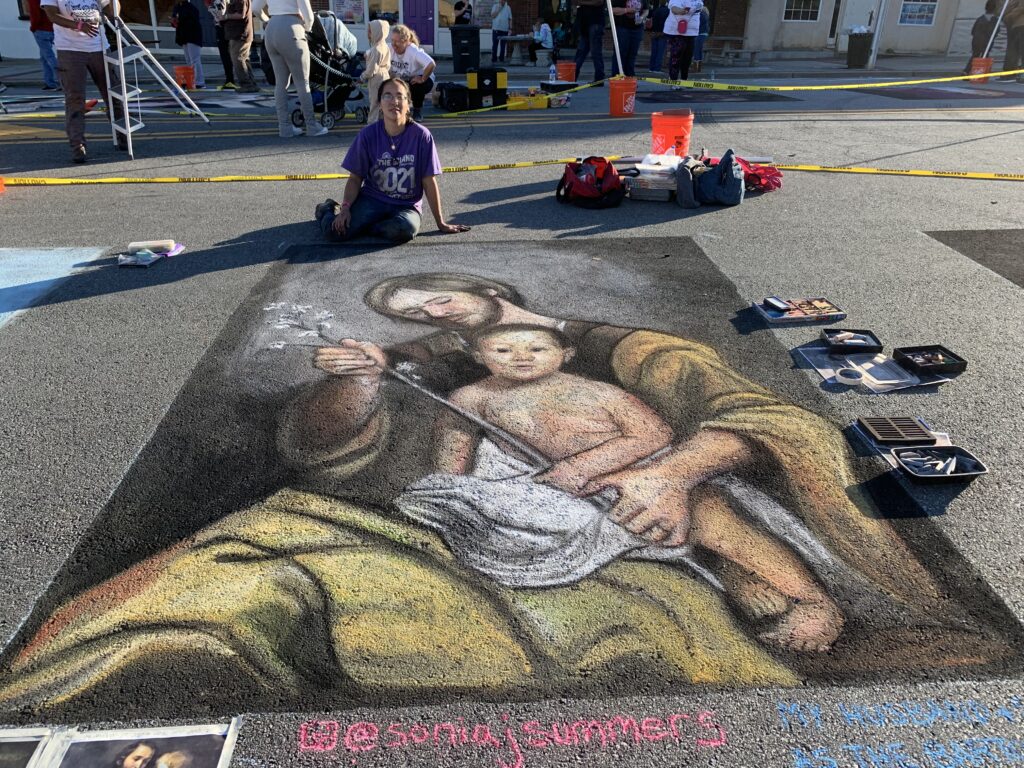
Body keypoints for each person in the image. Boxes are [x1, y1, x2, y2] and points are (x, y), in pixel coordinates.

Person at [0, 271, 1010, 717]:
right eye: (414, 308)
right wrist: (358, 384)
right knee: (278, 550)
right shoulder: (452, 372)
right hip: (521, 511)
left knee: (700, 510)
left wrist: (665, 464)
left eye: (435, 295)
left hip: (652, 483)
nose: (426, 310)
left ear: (514, 309)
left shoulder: (609, 352)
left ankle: (804, 595)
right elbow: (353, 445)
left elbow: (726, 409)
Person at [399, 323, 844, 649]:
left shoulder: (599, 393)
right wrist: (453, 493)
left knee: (711, 514)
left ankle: (814, 602)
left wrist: (585, 466)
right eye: (503, 349)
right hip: (545, 486)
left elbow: (654, 435)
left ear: (565, 355)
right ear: (481, 356)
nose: (522, 356)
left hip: (635, 474)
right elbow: (453, 454)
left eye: (537, 347)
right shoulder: (471, 399)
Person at [314, 79, 470, 243]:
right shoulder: (367, 135)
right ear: (380, 103)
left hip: (407, 206)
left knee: (404, 230)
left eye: (399, 96)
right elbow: (354, 178)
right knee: (335, 232)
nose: (394, 101)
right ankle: (326, 209)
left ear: (408, 103)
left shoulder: (422, 136)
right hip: (372, 200)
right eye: (387, 96)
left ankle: (367, 226)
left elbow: (429, 182)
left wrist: (441, 223)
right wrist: (345, 208)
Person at [41, 0, 127, 163]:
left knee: (113, 93)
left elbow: (112, 12)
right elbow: (52, 15)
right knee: (75, 99)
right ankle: (78, 146)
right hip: (70, 50)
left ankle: (122, 135)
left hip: (99, 47)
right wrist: (78, 25)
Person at [251, 0, 329, 136]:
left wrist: (266, 20)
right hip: (292, 26)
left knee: (280, 83)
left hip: (271, 28)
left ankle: (284, 127)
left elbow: (255, 8)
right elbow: (309, 16)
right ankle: (311, 126)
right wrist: (306, 29)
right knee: (302, 82)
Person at [388, 24, 434, 121]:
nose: (393, 44)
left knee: (416, 85)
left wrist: (422, 79)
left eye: (397, 41)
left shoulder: (412, 50)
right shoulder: (389, 48)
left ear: (406, 42)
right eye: (392, 40)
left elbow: (431, 64)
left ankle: (417, 110)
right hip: (403, 79)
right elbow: (375, 52)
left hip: (422, 77)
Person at [221, 0, 259, 91]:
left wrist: (225, 16)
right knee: (244, 59)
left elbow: (241, 14)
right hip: (238, 34)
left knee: (238, 59)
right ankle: (251, 84)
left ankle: (246, 85)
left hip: (239, 35)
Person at [663, 0, 702, 84]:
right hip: (677, 33)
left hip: (691, 33)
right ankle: (673, 80)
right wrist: (682, 11)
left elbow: (699, 8)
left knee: (688, 58)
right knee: (676, 57)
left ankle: (684, 79)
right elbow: (674, 8)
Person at [360, 19, 391, 123]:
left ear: (377, 32)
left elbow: (371, 70)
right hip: (385, 75)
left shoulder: (375, 49)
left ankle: (372, 125)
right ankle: (384, 122)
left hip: (376, 78)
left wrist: (362, 77)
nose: (368, 34)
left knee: (374, 102)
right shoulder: (385, 46)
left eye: (370, 31)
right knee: (383, 101)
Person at [172, 0, 206, 88]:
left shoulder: (191, 8)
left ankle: (200, 82)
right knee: (189, 60)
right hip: (184, 36)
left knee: (194, 59)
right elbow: (175, 19)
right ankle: (191, 80)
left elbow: (192, 22)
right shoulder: (177, 7)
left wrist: (179, 21)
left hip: (193, 36)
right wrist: (174, 22)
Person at [28, 0, 60, 90]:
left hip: (41, 29)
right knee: (44, 57)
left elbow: (35, 14)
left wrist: (33, 27)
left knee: (49, 57)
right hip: (52, 28)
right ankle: (49, 82)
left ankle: (62, 81)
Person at [610, 0, 647, 77]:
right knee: (620, 53)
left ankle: (630, 77)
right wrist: (627, 10)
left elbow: (646, 10)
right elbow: (612, 9)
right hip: (622, 27)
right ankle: (617, 76)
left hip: (637, 28)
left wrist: (642, 17)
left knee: (632, 54)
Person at [573, 0, 606, 84]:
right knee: (581, 51)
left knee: (595, 52)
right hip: (584, 22)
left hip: (595, 21)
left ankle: (599, 78)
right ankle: (572, 78)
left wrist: (581, 2)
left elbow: (599, 2)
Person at [999, 0, 1024, 81]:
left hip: (1019, 24)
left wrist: (1007, 17)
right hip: (1013, 25)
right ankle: (1009, 73)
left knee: (1018, 50)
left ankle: (1011, 74)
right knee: (1012, 50)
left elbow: (1021, 8)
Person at [647, 0, 668, 71]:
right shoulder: (667, 11)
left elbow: (649, 20)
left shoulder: (654, 10)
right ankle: (657, 68)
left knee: (654, 52)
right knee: (660, 52)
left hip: (654, 32)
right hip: (662, 33)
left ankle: (651, 68)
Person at [692, 3, 709, 72]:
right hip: (703, 34)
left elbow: (696, 24)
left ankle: (696, 68)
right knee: (699, 51)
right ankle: (698, 67)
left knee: (696, 50)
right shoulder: (706, 15)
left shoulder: (701, 15)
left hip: (699, 34)